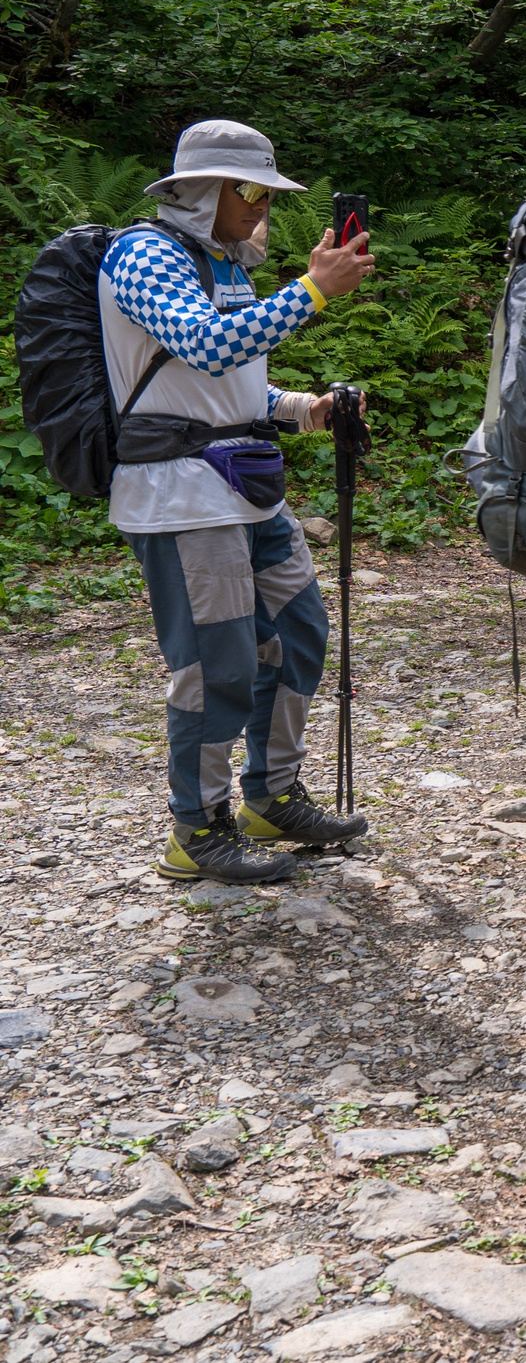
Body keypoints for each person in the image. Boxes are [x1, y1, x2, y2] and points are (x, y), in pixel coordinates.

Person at [106, 121, 373, 882]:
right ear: (200, 189)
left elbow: (232, 385)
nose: (262, 204)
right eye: (250, 189)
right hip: (180, 497)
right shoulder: (144, 254)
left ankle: (270, 796)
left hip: (246, 489)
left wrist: (303, 409)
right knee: (215, 663)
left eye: (268, 192)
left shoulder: (226, 263)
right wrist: (313, 291)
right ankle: (196, 830)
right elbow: (206, 345)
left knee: (298, 631)